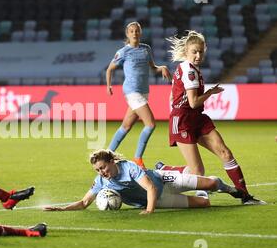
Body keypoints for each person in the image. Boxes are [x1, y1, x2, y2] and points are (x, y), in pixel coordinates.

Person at [165, 30, 265, 205]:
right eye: (194, 52)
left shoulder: (188, 68)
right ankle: (167, 173)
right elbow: (194, 102)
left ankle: (245, 197)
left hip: (196, 117)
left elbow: (174, 97)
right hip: (182, 120)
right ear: (187, 51)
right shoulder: (190, 72)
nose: (197, 55)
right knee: (197, 170)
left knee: (225, 152)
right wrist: (210, 92)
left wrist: (176, 103)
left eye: (200, 52)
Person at [43, 149, 242, 214]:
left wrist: (149, 210)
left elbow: (149, 188)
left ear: (112, 162)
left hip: (162, 182)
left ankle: (228, 187)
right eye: (97, 170)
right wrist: (62, 209)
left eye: (103, 167)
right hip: (158, 198)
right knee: (205, 204)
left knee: (210, 184)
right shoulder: (101, 181)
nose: (101, 172)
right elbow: (84, 202)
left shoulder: (128, 167)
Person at [105, 21, 172, 169]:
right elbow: (109, 69)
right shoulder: (123, 52)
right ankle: (138, 158)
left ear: (140, 33)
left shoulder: (146, 49)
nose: (134, 33)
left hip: (143, 91)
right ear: (127, 34)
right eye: (131, 31)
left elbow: (153, 69)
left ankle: (106, 155)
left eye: (137, 31)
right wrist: (109, 85)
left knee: (126, 126)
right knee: (150, 124)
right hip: (132, 91)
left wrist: (162, 68)